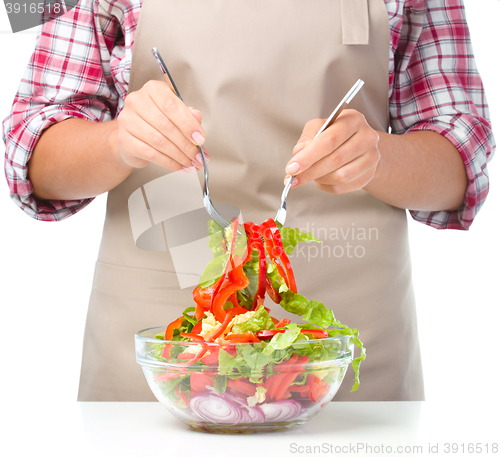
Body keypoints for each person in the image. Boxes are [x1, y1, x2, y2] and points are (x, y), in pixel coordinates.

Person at [2, 0, 495, 401]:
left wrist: (379, 158)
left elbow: (463, 163)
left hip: (352, 375)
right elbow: (29, 157)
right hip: (155, 378)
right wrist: (116, 143)